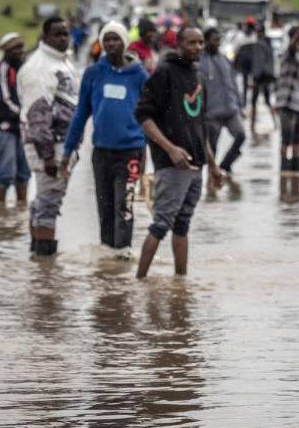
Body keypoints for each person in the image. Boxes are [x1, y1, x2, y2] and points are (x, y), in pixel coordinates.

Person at [134, 27, 225, 279]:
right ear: (179, 44)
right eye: (191, 43)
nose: (197, 47)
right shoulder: (164, 73)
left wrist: (213, 165)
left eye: (200, 43)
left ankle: (180, 284)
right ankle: (139, 282)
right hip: (172, 165)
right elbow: (143, 116)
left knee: (183, 225)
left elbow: (200, 126)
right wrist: (171, 149)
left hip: (196, 167)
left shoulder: (198, 75)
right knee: (161, 224)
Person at [61, 21, 149, 250]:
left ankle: (123, 258)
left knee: (125, 208)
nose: (111, 43)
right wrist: (67, 151)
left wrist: (149, 154)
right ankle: (108, 266)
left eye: (115, 39)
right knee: (105, 210)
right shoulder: (93, 74)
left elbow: (150, 116)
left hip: (130, 152)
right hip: (101, 153)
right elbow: (81, 114)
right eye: (106, 39)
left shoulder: (139, 75)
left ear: (124, 43)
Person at [20, 17, 77, 256]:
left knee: (46, 200)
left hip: (62, 145)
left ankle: (37, 257)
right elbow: (38, 116)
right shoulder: (38, 68)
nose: (63, 38)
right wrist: (48, 158)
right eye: (57, 34)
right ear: (45, 37)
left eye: (66, 33)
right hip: (49, 147)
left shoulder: (62, 63)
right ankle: (45, 267)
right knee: (49, 203)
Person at [0, 32, 30, 205]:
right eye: (15, 49)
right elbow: (2, 101)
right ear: (6, 51)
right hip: (2, 128)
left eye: (21, 48)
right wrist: (22, 114)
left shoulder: (22, 70)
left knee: (24, 172)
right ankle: (0, 209)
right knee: (6, 171)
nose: (20, 52)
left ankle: (20, 210)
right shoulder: (0, 71)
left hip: (21, 127)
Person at [200, 27, 247, 176]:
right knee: (212, 148)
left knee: (241, 135)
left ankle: (225, 165)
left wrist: (239, 104)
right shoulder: (200, 62)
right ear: (206, 41)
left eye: (219, 40)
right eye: (214, 40)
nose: (217, 43)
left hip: (230, 109)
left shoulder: (224, 59)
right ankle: (211, 180)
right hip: (211, 113)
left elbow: (232, 82)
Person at [275, 26, 299, 176]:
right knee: (286, 139)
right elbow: (291, 46)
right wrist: (298, 33)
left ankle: (295, 174)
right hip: (287, 104)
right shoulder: (287, 54)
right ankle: (284, 173)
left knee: (297, 140)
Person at [247, 24, 277, 135]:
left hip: (260, 78)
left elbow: (259, 62)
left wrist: (255, 77)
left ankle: (252, 127)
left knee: (256, 102)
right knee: (266, 101)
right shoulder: (268, 43)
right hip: (265, 77)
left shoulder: (260, 44)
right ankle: (274, 124)